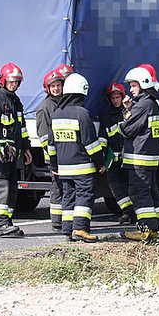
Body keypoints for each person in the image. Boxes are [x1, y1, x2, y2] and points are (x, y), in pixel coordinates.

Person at [46, 73, 106, 243]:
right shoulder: (82, 113)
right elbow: (91, 144)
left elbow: (51, 145)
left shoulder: (56, 114)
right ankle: (80, 229)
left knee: (68, 197)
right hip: (82, 167)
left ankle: (67, 231)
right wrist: (100, 162)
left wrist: (53, 165)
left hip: (64, 167)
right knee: (84, 196)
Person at [0, 62, 32, 237]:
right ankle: (0, 225)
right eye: (11, 81)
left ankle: (8, 222)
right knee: (0, 187)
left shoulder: (16, 101)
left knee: (11, 188)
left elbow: (21, 128)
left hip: (11, 154)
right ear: (3, 80)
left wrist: (26, 149)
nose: (14, 84)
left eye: (17, 82)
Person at [115, 66, 159, 241]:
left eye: (133, 86)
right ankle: (158, 227)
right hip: (149, 158)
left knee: (139, 193)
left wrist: (125, 114)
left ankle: (145, 229)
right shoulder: (152, 103)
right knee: (152, 192)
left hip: (139, 159)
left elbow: (126, 130)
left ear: (143, 84)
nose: (130, 89)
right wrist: (130, 109)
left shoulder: (143, 105)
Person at [99, 82, 135, 224]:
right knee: (114, 184)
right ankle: (127, 211)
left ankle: (136, 212)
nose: (115, 101)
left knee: (131, 185)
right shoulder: (106, 115)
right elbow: (102, 137)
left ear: (123, 97)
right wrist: (101, 157)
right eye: (113, 98)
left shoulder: (130, 111)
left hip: (129, 157)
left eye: (117, 97)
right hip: (114, 159)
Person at [36, 68, 66, 231]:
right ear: (48, 88)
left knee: (67, 187)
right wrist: (54, 156)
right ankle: (56, 221)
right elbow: (44, 137)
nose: (56, 88)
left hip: (66, 155)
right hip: (54, 156)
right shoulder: (45, 108)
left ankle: (65, 219)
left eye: (58, 85)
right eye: (53, 86)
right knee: (57, 187)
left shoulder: (64, 103)